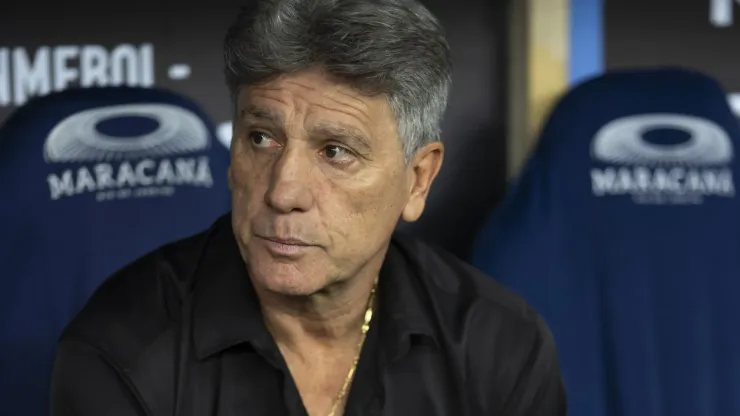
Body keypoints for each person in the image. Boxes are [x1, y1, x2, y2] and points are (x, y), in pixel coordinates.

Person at [50, 0, 567, 415]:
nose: (283, 192)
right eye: (260, 137)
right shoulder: (121, 350)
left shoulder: (499, 346)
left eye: (335, 151)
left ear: (417, 179)